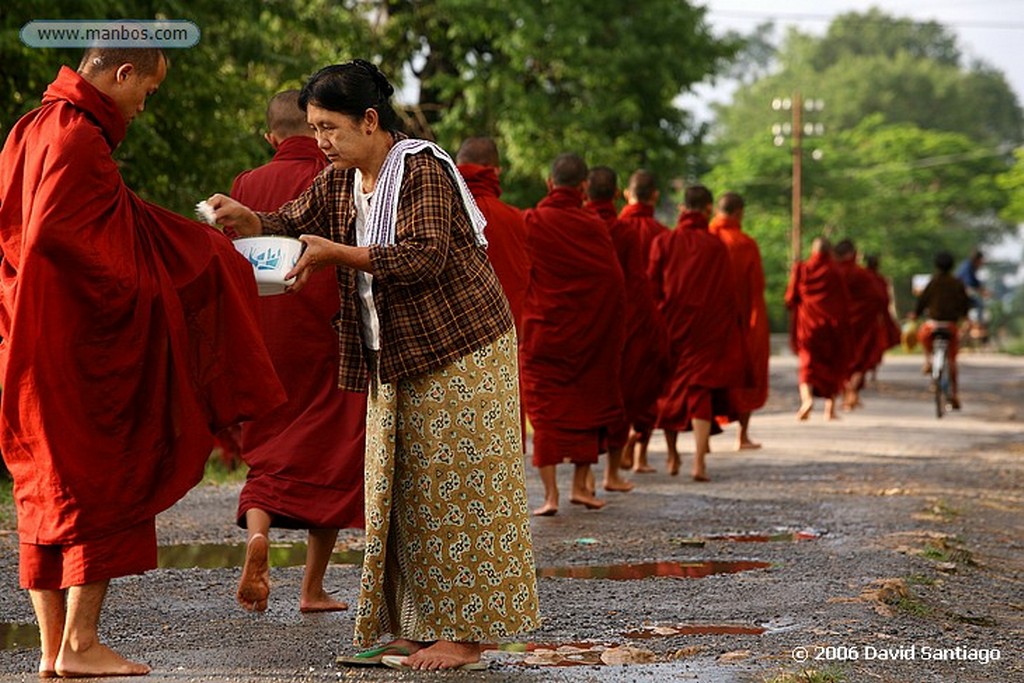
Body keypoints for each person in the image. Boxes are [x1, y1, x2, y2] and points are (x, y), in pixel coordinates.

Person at [207, 59, 539, 671]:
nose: (322, 141)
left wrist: (339, 255)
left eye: (330, 127)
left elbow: (426, 257)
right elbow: (290, 223)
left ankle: (468, 636)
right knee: (400, 491)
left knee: (458, 493)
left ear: (369, 119)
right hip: (394, 355)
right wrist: (248, 221)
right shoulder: (340, 180)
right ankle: (414, 626)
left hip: (460, 351)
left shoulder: (421, 168)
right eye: (313, 128)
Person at [0, 48, 284, 678]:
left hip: (26, 340)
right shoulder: (77, 139)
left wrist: (175, 246)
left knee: (46, 493)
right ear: (121, 73)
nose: (143, 106)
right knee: (98, 482)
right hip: (74, 349)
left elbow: (52, 234)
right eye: (147, 91)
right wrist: (174, 273)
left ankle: (53, 651)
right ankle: (78, 645)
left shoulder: (30, 128)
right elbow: (63, 243)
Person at [229, 90, 367, 614]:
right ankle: (312, 588)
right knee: (330, 451)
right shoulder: (339, 177)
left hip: (266, 331)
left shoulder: (247, 185)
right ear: (314, 132)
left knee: (268, 442)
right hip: (329, 329)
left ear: (270, 138)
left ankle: (257, 537)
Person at [520, 153, 626, 515]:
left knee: (545, 412)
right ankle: (581, 487)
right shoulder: (594, 224)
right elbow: (612, 281)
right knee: (586, 404)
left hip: (544, 330)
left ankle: (550, 497)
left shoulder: (533, 220)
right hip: (589, 332)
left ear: (550, 184)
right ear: (583, 188)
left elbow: (521, 272)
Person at [648, 185, 750, 481]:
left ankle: (671, 455)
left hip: (672, 327)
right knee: (700, 392)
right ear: (707, 209)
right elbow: (727, 294)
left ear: (683, 208)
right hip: (707, 331)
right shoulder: (716, 245)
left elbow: (652, 288)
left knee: (670, 391)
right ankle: (699, 462)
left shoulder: (664, 241)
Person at [585, 166, 669, 490]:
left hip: (590, 320)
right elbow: (640, 283)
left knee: (597, 392)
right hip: (635, 317)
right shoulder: (648, 232)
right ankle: (631, 462)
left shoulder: (589, 227)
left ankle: (587, 476)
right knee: (632, 391)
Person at [455, 136, 531, 449]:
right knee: (502, 426)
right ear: (495, 171)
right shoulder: (515, 218)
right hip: (503, 339)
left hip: (452, 343)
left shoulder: (440, 212)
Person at [617, 169, 672, 472]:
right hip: (653, 317)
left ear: (627, 194)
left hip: (618, 319)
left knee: (622, 381)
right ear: (655, 196)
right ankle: (641, 455)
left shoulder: (612, 227)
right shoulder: (663, 233)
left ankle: (622, 440)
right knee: (649, 383)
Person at [709, 192, 770, 450]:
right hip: (740, 324)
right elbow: (756, 290)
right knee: (748, 376)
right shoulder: (745, 244)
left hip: (707, 326)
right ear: (739, 213)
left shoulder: (703, 238)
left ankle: (705, 441)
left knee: (708, 379)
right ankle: (742, 436)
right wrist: (757, 326)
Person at [784, 237, 851, 421]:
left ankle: (807, 400)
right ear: (829, 252)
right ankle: (830, 410)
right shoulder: (836, 271)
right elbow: (844, 302)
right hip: (831, 328)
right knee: (832, 366)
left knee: (807, 365)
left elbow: (790, 298)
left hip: (808, 328)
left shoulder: (802, 269)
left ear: (813, 251)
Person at [833, 239, 888, 411]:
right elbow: (880, 298)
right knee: (861, 362)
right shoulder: (862, 274)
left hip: (838, 324)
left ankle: (847, 394)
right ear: (853, 254)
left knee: (841, 360)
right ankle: (851, 393)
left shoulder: (833, 273)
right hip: (862, 325)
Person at [913, 251, 971, 409]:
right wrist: (965, 318)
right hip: (950, 326)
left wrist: (915, 315)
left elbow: (922, 301)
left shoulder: (933, 282)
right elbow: (965, 303)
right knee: (952, 361)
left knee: (922, 335)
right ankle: (955, 394)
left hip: (932, 325)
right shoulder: (957, 283)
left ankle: (928, 360)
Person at [863, 254, 901, 385]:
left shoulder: (863, 277)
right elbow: (884, 299)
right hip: (874, 317)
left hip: (864, 317)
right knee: (875, 345)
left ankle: (864, 372)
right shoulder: (878, 280)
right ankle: (871, 372)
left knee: (867, 345)